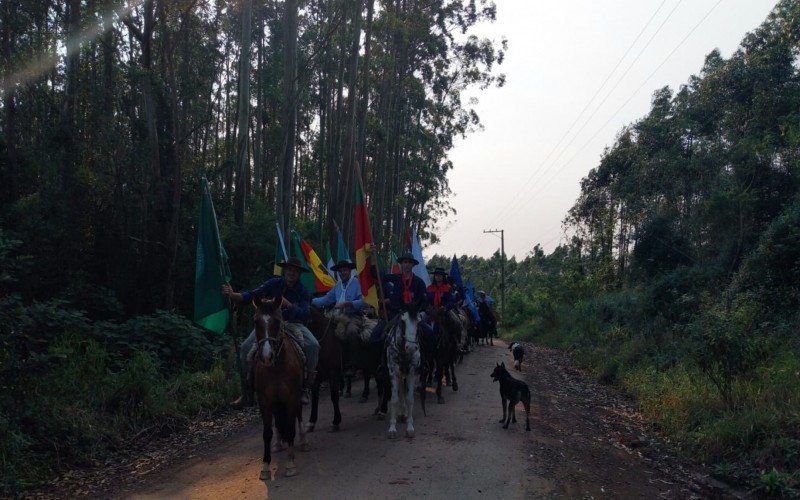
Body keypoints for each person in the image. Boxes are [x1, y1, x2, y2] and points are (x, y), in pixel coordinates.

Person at [223, 257, 320, 407]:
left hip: (293, 324)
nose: (291, 273)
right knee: (244, 349)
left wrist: (288, 305)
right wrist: (233, 294)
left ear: (299, 274)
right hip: (269, 323)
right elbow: (253, 295)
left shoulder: (303, 291)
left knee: (313, 345)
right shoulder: (274, 283)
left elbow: (305, 313)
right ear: (285, 271)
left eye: (295, 271)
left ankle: (305, 387)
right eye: (289, 270)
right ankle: (247, 391)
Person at [369, 252, 431, 343]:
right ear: (401, 264)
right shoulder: (395, 278)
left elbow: (425, 301)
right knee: (374, 335)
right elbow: (379, 276)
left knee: (430, 333)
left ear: (413, 265)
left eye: (410, 263)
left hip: (413, 316)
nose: (407, 265)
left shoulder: (419, 282)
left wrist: (418, 312)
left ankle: (429, 357)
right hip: (395, 315)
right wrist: (373, 261)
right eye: (405, 262)